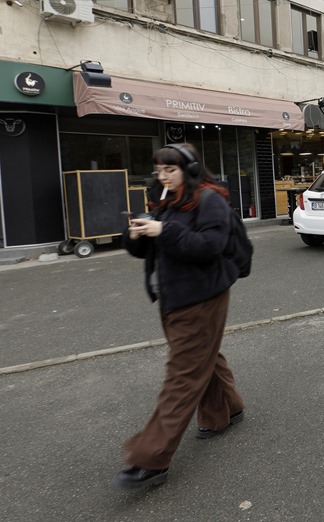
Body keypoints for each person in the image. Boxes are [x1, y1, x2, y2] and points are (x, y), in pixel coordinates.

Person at [115, 143, 245, 488]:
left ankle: (150, 458)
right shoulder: (165, 200)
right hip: (173, 297)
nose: (162, 176)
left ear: (188, 169)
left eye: (169, 170)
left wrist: (164, 231)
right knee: (204, 357)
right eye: (158, 170)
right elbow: (152, 248)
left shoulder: (209, 199)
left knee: (183, 374)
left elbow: (209, 248)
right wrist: (136, 235)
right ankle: (226, 410)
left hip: (203, 297)